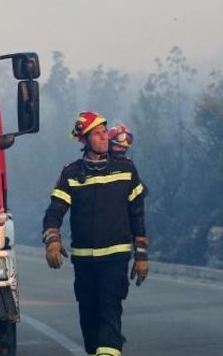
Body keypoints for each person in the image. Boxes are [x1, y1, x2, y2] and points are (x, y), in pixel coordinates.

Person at [42, 112, 149, 356]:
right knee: (89, 317)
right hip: (84, 261)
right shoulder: (71, 173)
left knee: (110, 310)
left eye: (104, 132)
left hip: (116, 258)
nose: (104, 137)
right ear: (84, 140)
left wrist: (141, 255)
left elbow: (138, 214)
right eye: (97, 134)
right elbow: (54, 213)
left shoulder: (126, 169)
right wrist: (52, 240)